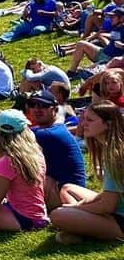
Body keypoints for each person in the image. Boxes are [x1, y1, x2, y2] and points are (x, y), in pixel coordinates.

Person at [51, 103, 124, 244]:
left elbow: (107, 206)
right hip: (115, 209)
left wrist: (78, 208)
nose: (83, 124)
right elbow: (109, 195)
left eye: (90, 120)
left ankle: (81, 228)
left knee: (57, 215)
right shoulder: (111, 148)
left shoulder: (115, 155)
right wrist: (81, 206)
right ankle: (81, 228)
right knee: (68, 189)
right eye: (83, 119)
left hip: (120, 219)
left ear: (107, 124)